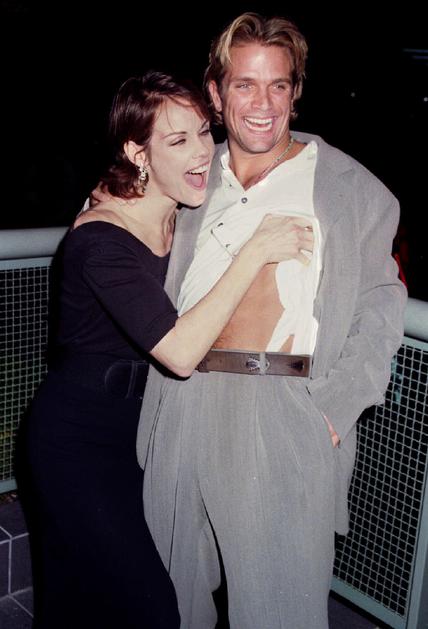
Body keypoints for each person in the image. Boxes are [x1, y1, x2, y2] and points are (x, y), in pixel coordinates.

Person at [135, 14, 408, 629]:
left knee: (281, 612)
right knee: (172, 605)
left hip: (285, 411)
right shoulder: (188, 174)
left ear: (295, 91)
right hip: (183, 398)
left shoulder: (350, 188)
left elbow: (381, 306)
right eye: (244, 85)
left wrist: (333, 411)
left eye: (278, 85)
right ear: (215, 93)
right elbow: (123, 226)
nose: (262, 103)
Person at [21, 70, 311, 629]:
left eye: (203, 131)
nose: (202, 151)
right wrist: (255, 251)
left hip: (144, 431)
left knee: (83, 598)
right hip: (78, 440)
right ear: (138, 153)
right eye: (177, 141)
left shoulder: (182, 213)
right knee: (149, 605)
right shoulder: (100, 240)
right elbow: (178, 352)